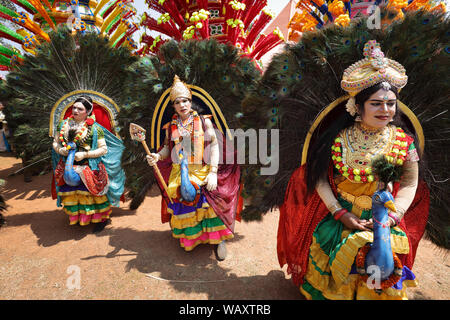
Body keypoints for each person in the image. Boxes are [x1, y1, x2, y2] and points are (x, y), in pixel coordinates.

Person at [277, 41, 429, 299]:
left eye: (391, 103)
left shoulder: (404, 142)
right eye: (376, 103)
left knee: (383, 268)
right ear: (357, 107)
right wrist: (339, 213)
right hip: (343, 217)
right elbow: (319, 178)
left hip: (385, 219)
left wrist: (393, 217)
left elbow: (411, 183)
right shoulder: (338, 139)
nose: (386, 110)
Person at [146, 76, 241, 260]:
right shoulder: (171, 126)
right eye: (178, 102)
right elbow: (167, 148)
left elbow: (214, 146)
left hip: (203, 168)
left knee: (209, 201)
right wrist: (157, 156)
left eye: (185, 101)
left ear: (191, 102)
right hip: (180, 170)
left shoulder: (204, 122)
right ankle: (192, 238)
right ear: (173, 106)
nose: (182, 105)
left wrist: (213, 172)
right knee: (184, 200)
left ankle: (217, 239)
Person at [52, 95, 125, 232]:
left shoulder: (95, 129)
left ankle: (101, 219)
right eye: (74, 107)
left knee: (92, 193)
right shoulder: (63, 125)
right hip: (68, 164)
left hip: (89, 166)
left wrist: (85, 154)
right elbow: (55, 142)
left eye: (80, 109)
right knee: (73, 191)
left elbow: (103, 149)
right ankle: (80, 216)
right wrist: (60, 149)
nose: (75, 111)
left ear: (87, 112)